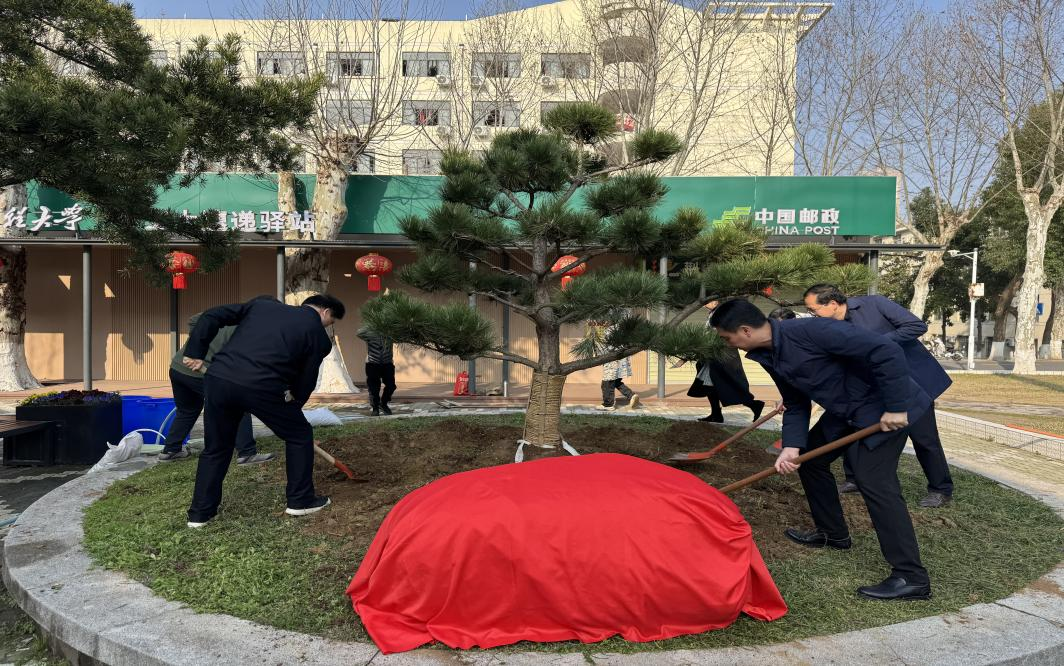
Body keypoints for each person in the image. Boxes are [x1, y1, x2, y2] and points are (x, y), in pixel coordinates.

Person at [710, 298, 932, 601]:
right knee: (811, 461)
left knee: (873, 480)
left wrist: (895, 406)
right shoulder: (767, 354)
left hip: (885, 408)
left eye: (727, 338)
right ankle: (833, 533)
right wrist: (792, 446)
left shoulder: (814, 331)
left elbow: (886, 350)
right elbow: (795, 401)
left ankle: (911, 577)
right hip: (845, 410)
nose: (729, 344)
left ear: (745, 330)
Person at [182, 294, 343, 528]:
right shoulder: (318, 336)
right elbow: (305, 381)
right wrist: (294, 410)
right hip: (263, 386)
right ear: (325, 312)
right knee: (299, 435)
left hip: (219, 380)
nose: (327, 326)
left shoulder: (262, 306)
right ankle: (301, 500)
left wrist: (195, 350)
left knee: (216, 448)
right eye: (331, 322)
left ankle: (199, 515)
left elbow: (211, 315)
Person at [804, 284, 954, 508]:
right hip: (870, 390)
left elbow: (916, 325)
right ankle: (853, 479)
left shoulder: (874, 304)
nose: (812, 314)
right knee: (857, 432)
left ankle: (940, 489)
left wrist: (878, 343)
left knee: (924, 437)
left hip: (911, 384)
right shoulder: (828, 327)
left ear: (832, 304)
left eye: (813, 309)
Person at [159, 308, 275, 466]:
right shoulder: (249, 331)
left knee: (188, 410)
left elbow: (193, 319)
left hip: (178, 367)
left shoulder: (221, 317)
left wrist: (201, 337)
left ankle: (171, 450)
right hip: (199, 370)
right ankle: (247, 453)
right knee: (239, 405)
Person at [687, 301, 764, 423]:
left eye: (708, 301)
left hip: (721, 354)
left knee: (728, 383)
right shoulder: (714, 313)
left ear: (715, 301)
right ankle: (716, 414)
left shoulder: (720, 314)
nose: (704, 304)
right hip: (713, 354)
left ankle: (753, 404)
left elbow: (719, 334)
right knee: (710, 385)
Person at [358, 326, 396, 416]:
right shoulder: (369, 332)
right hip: (372, 363)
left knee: (391, 386)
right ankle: (375, 408)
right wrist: (373, 323)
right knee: (373, 388)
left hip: (388, 362)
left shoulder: (390, 331)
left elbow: (401, 335)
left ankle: (383, 404)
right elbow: (359, 333)